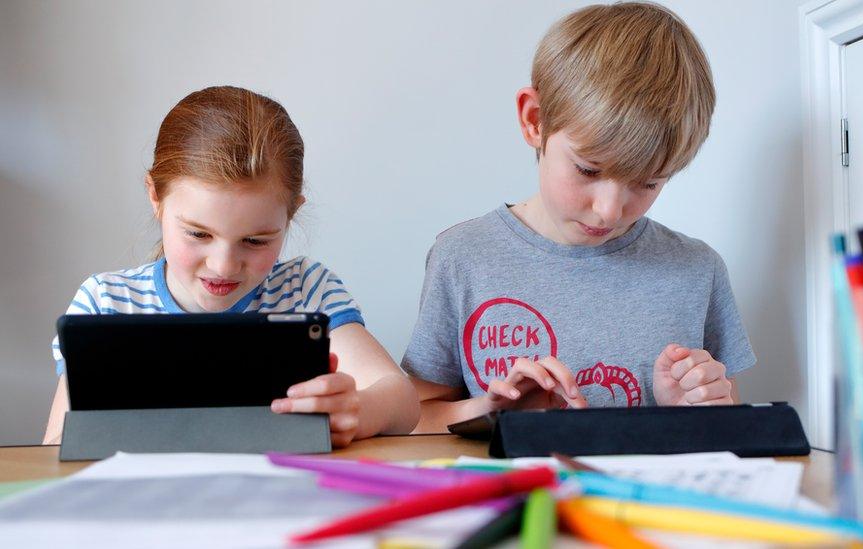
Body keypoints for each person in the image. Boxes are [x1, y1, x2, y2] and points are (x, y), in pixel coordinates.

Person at [402, 2, 756, 433]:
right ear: (534, 121)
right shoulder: (462, 256)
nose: (610, 210)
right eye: (589, 170)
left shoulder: (698, 270)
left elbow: (729, 413)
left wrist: (695, 408)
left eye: (647, 183)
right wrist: (490, 410)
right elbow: (413, 418)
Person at [44, 85, 419, 447]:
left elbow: (402, 401)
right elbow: (56, 445)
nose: (223, 266)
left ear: (291, 214)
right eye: (198, 234)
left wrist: (359, 409)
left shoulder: (306, 290)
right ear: (155, 197)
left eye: (255, 241)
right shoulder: (106, 302)